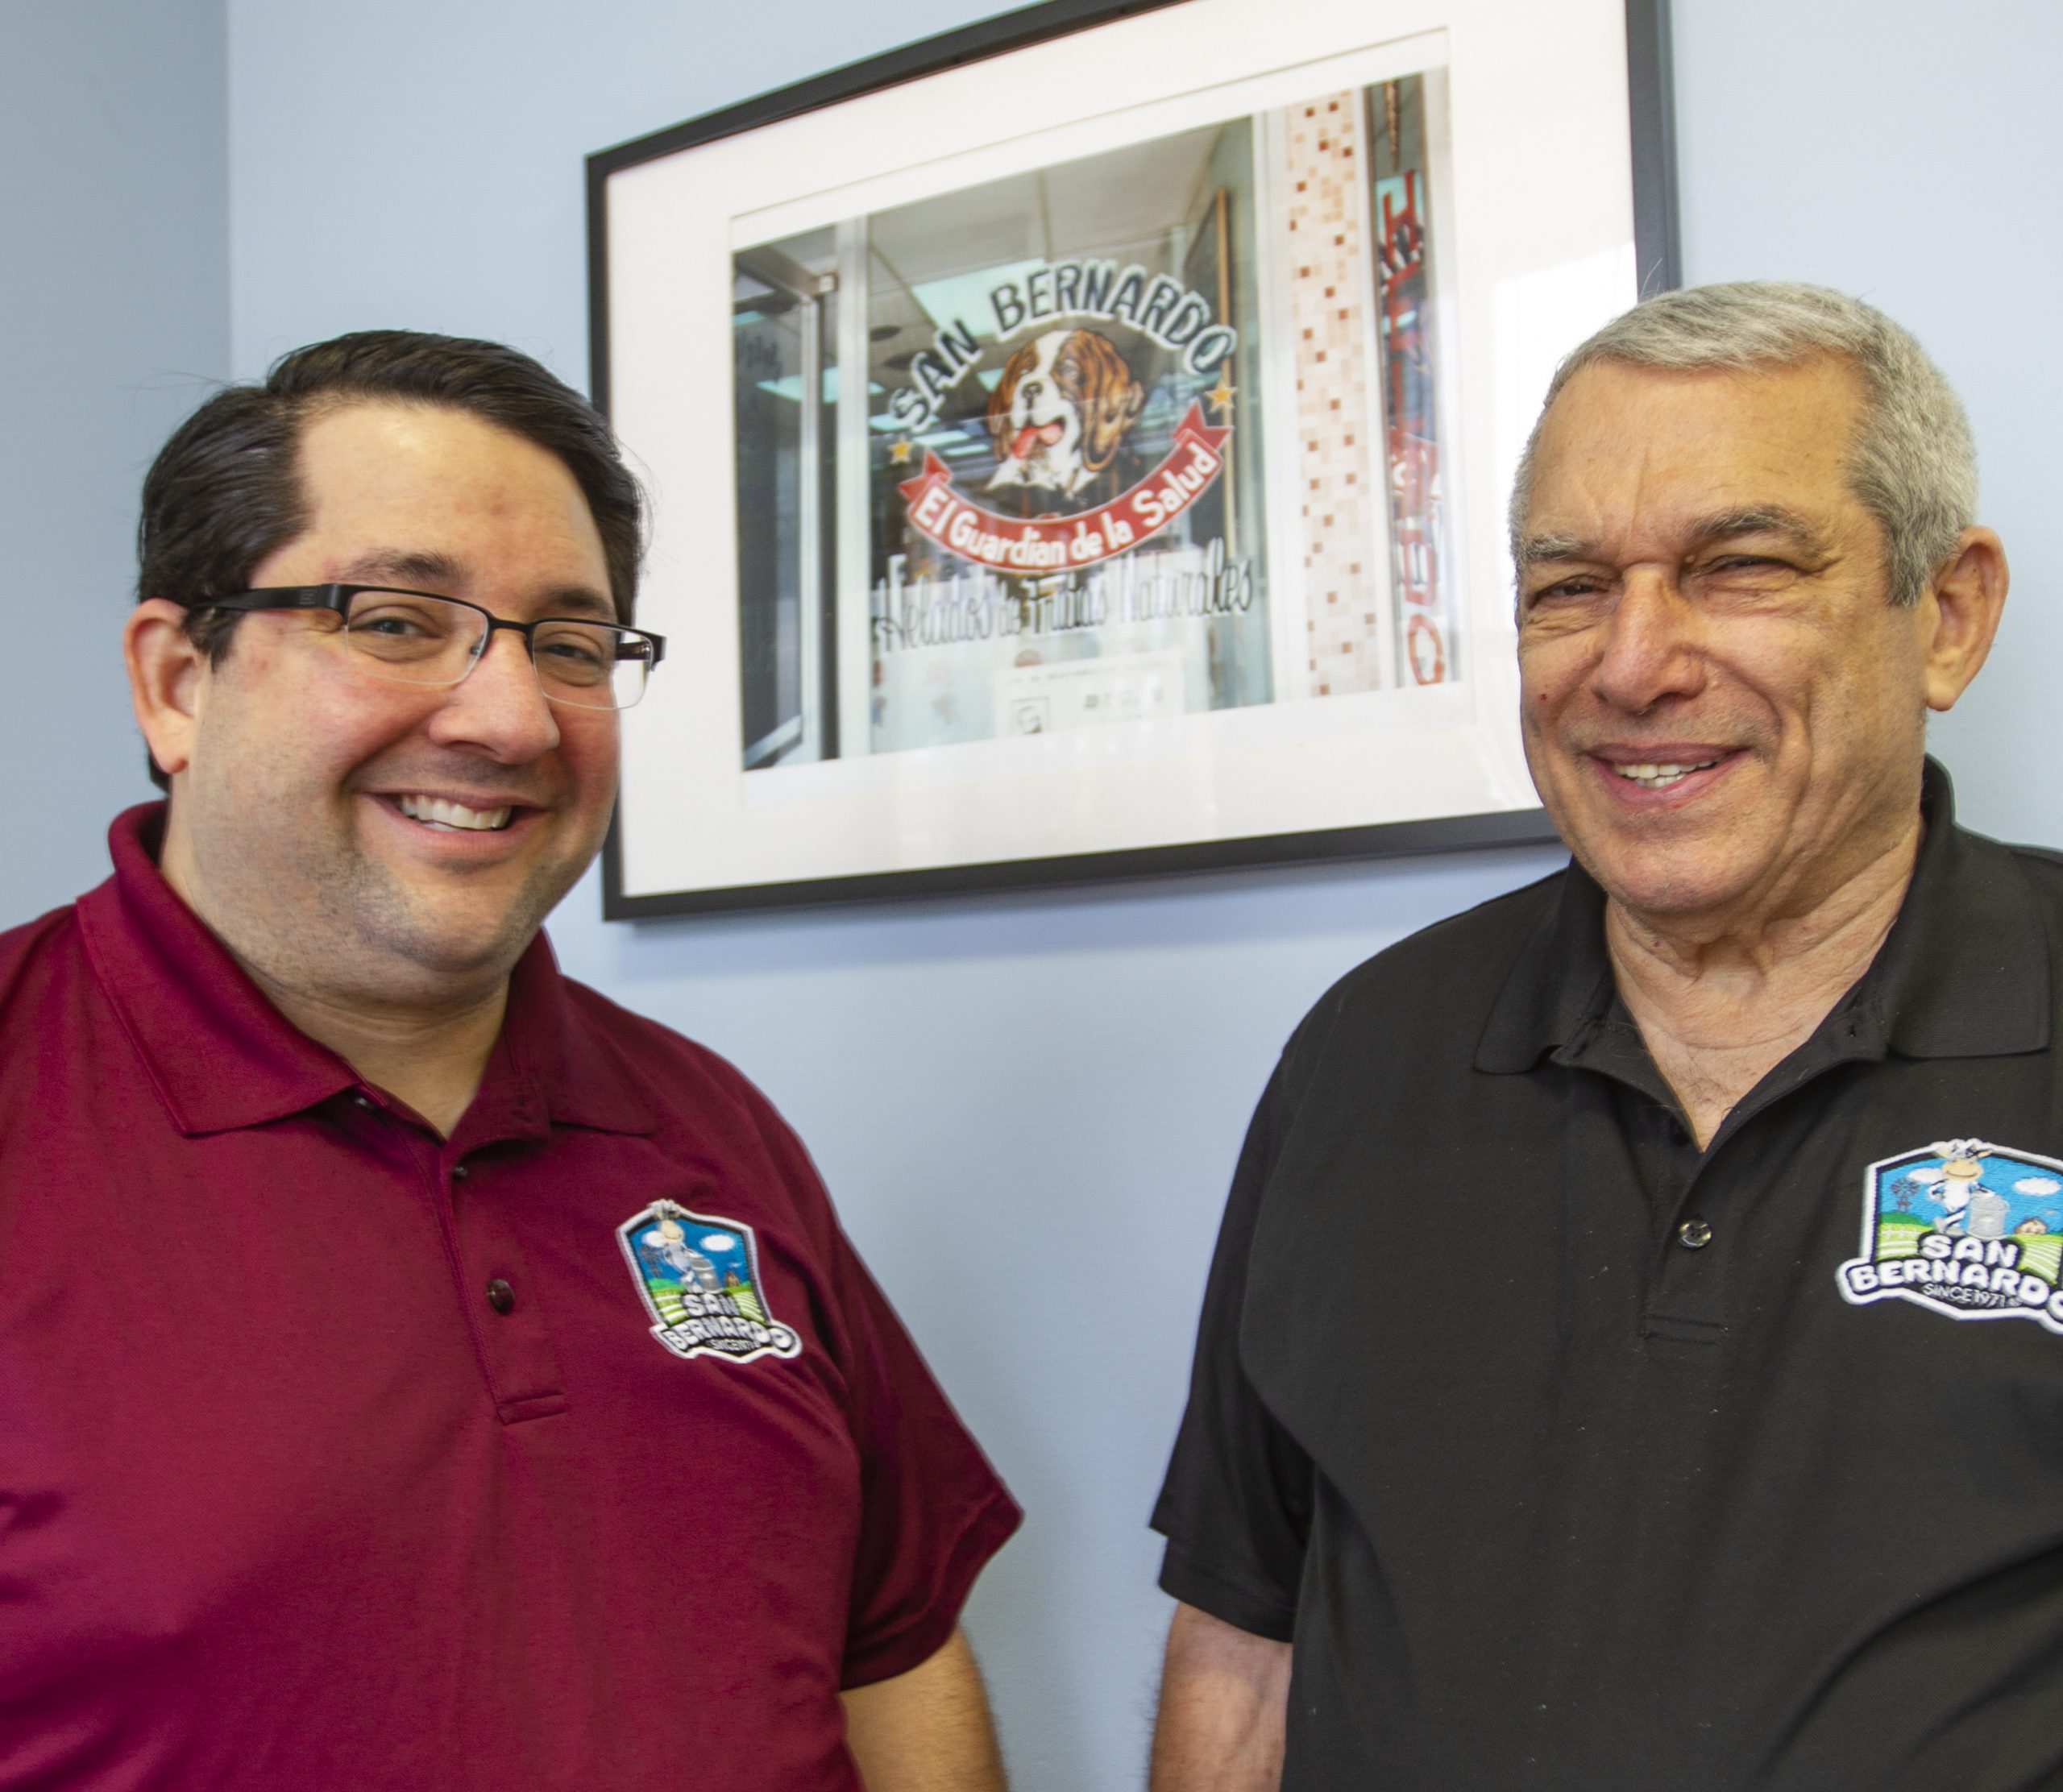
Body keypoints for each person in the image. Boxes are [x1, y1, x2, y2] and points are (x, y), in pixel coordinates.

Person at [0, 331, 1019, 1790]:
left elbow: (892, 1638)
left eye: (570, 644)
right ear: (177, 681)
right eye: (399, 621)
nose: (512, 717)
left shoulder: (705, 1126)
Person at [1147, 282, 2054, 1789]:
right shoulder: (1365, 1058)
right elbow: (1245, 1646)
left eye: (1741, 566)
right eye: (1568, 588)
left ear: (1945, 616)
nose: (1631, 666)